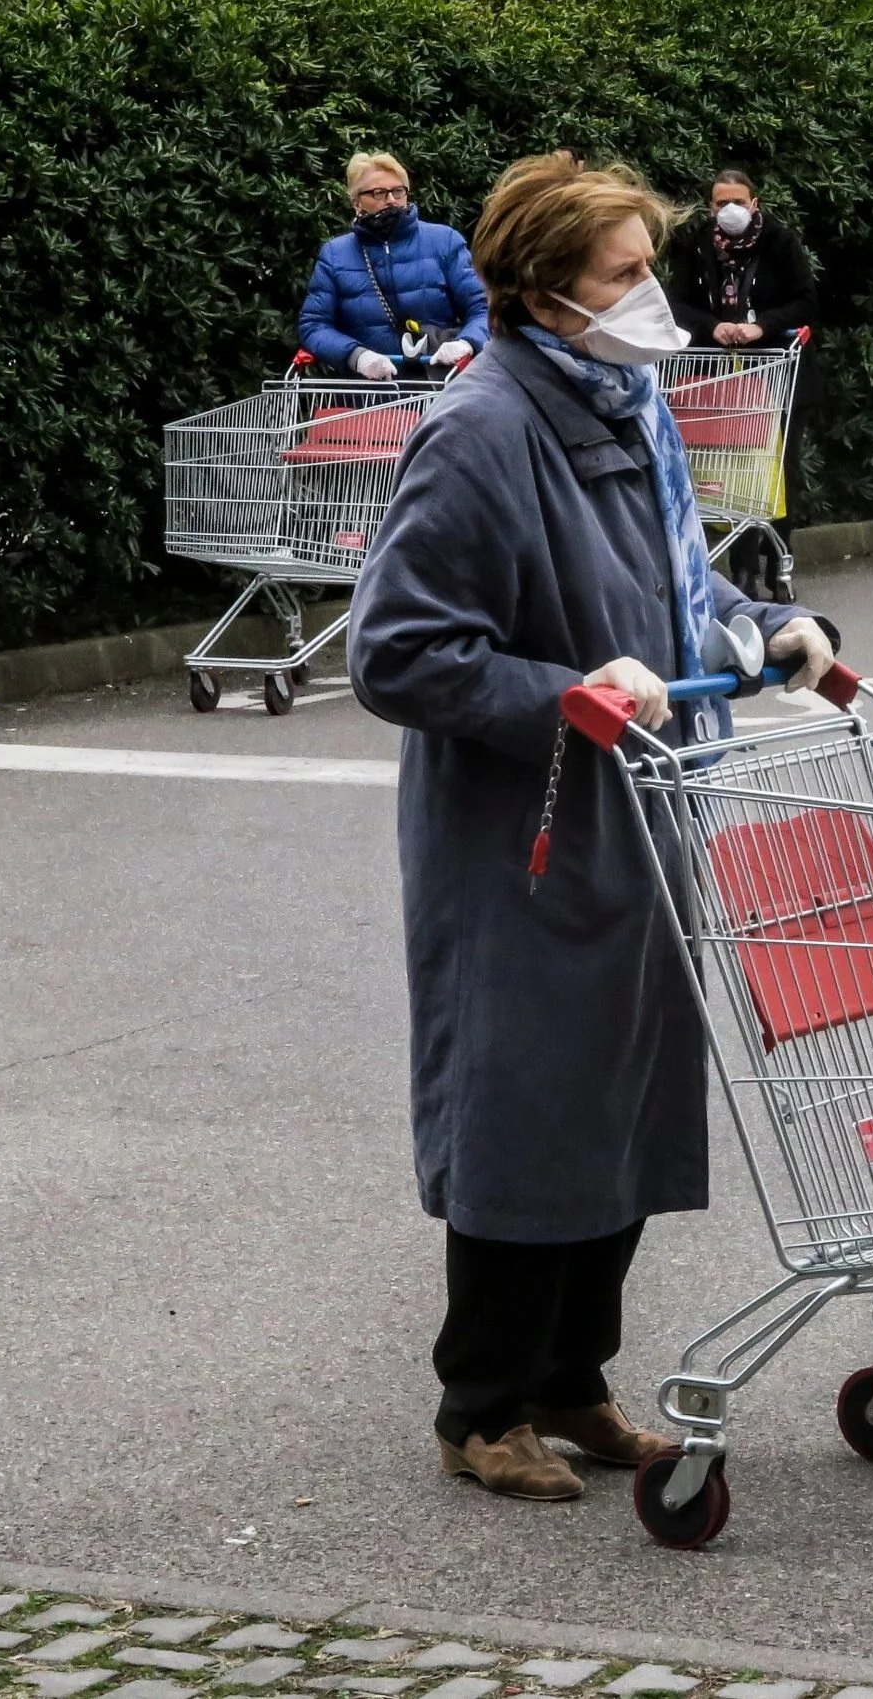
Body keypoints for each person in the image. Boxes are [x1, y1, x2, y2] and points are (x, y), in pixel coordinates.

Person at [347, 153, 841, 1503]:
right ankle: (480, 1403)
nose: (650, 293)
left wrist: (756, 631)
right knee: (523, 1110)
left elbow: (671, 596)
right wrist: (557, 697)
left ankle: (573, 1381)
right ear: (542, 285)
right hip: (531, 824)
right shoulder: (485, 427)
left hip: (640, 799)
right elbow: (396, 654)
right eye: (625, 272)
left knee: (613, 1104)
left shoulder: (617, 398)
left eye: (648, 265)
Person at [662, 168, 819, 597]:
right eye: (720, 203)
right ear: (710, 207)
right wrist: (713, 328)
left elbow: (805, 301)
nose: (729, 210)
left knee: (779, 470)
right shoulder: (697, 245)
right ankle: (742, 567)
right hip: (722, 376)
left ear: (754, 205)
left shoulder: (781, 242)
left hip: (777, 372)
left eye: (737, 202)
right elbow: (676, 303)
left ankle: (779, 563)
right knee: (735, 470)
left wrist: (762, 327)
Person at [299, 153, 489, 381]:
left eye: (398, 191)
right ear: (356, 202)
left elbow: (483, 309)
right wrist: (357, 356)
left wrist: (466, 343)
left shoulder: (444, 241)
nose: (391, 200)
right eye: (378, 193)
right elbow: (314, 325)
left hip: (441, 389)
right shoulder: (336, 254)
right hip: (369, 397)